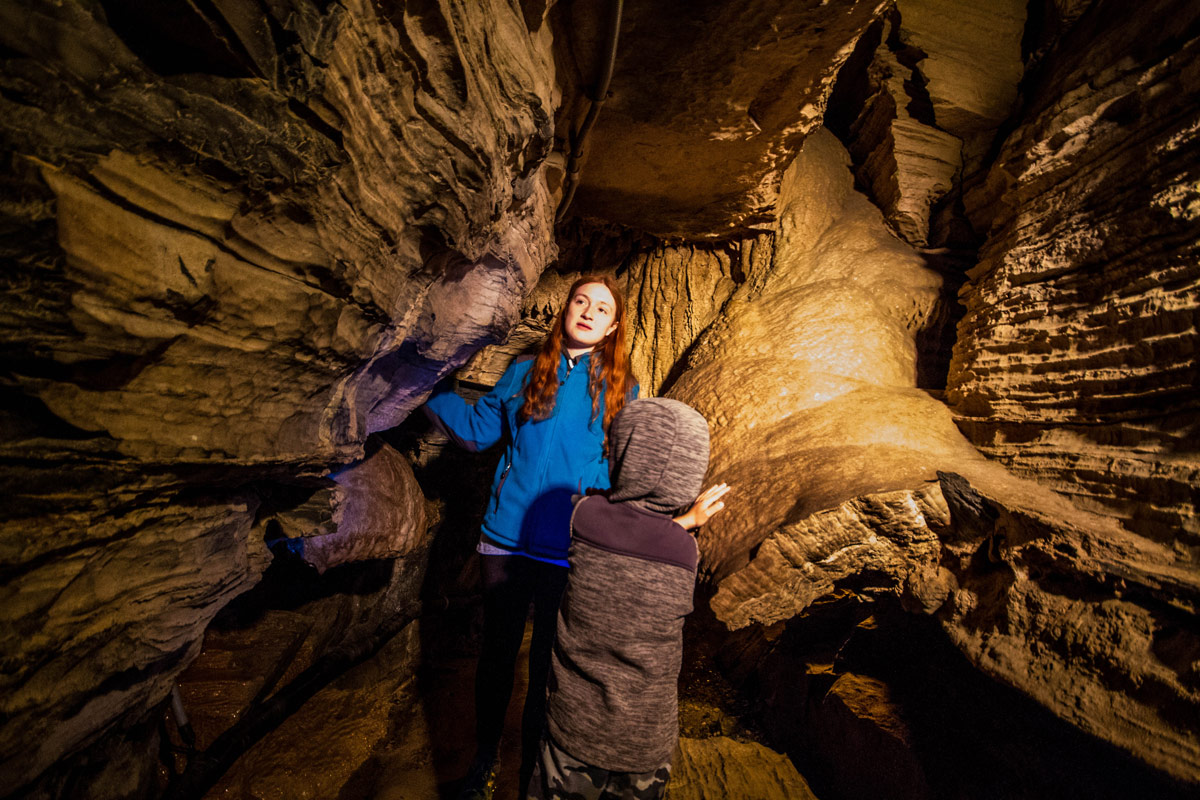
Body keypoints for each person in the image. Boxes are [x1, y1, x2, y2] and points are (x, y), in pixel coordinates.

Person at [424, 275, 639, 799]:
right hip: (505, 538)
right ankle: (484, 759)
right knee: (497, 655)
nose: (588, 312)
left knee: (547, 664)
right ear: (565, 310)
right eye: (581, 301)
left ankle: (533, 774)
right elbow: (478, 430)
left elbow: (619, 469)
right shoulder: (525, 371)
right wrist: (423, 387)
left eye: (601, 308)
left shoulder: (620, 388)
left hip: (566, 549)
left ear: (612, 326)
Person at [529, 397, 731, 800]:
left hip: (575, 730)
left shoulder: (583, 517)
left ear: (621, 456)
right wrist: (687, 522)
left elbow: (619, 531)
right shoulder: (684, 552)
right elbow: (650, 541)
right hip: (646, 743)